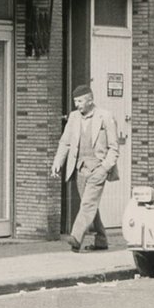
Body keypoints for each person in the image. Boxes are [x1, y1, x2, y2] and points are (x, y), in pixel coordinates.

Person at [50, 83, 120, 252]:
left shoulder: (105, 116)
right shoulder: (74, 117)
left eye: (80, 101)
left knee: (88, 204)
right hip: (80, 168)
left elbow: (114, 147)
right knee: (89, 204)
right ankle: (101, 239)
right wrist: (57, 163)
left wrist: (105, 168)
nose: (77, 105)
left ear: (90, 100)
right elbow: (65, 142)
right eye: (75, 101)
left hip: (98, 168)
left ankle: (76, 237)